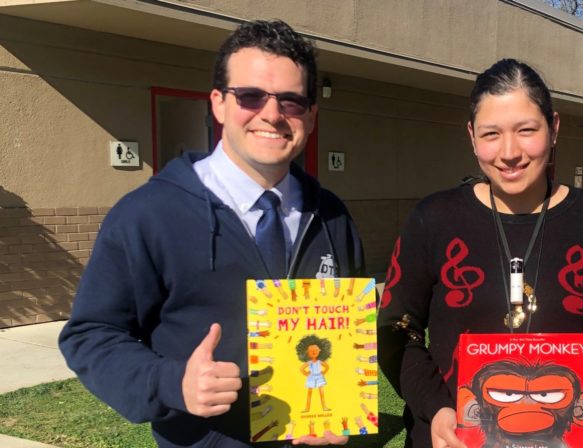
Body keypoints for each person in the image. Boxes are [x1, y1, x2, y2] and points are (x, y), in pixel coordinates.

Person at [58, 19, 363, 447]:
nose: (272, 115)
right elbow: (90, 335)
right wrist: (171, 381)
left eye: (291, 101)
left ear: (311, 116)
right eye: (251, 96)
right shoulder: (149, 214)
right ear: (219, 104)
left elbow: (345, 336)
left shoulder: (331, 217)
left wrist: (339, 403)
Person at [378, 59, 583, 448]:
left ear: (554, 128)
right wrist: (437, 409)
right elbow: (397, 330)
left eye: (526, 130)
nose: (509, 152)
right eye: (491, 134)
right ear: (472, 136)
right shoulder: (433, 219)